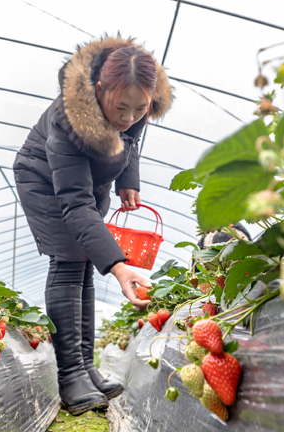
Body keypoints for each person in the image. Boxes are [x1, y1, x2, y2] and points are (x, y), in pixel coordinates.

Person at [13, 36, 172, 415]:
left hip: (91, 180)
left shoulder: (133, 101)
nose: (129, 117)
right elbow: (76, 204)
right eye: (121, 108)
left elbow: (130, 140)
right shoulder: (68, 120)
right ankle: (70, 377)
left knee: (84, 262)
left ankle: (86, 368)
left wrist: (127, 180)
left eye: (140, 109)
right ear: (100, 88)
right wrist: (119, 267)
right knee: (69, 260)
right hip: (44, 180)